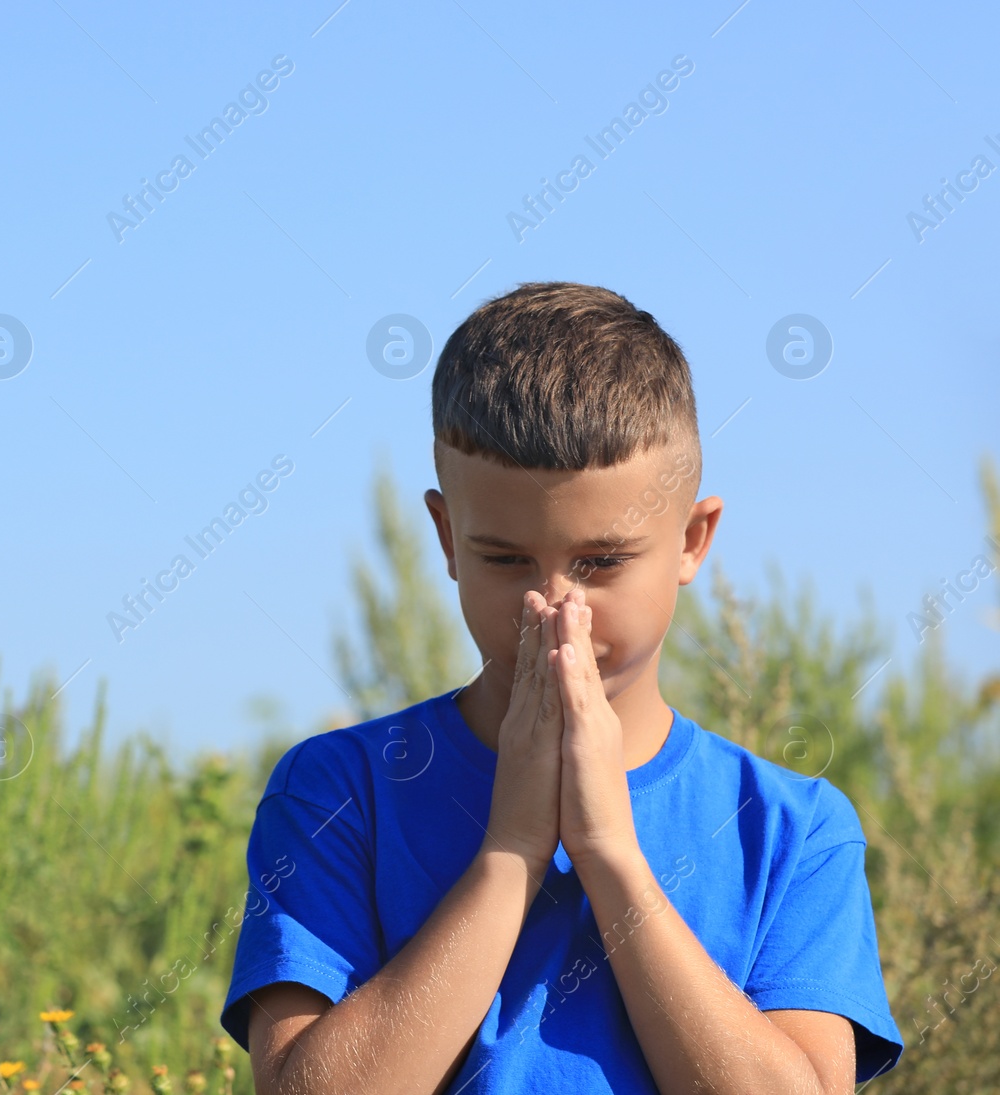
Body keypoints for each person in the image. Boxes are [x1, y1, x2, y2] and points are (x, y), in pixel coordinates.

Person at [217, 282, 903, 1093]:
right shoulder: (339, 790)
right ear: (445, 537)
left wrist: (612, 859)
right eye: (506, 559)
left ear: (691, 541)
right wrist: (510, 853)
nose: (554, 607)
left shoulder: (791, 830)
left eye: (602, 562)